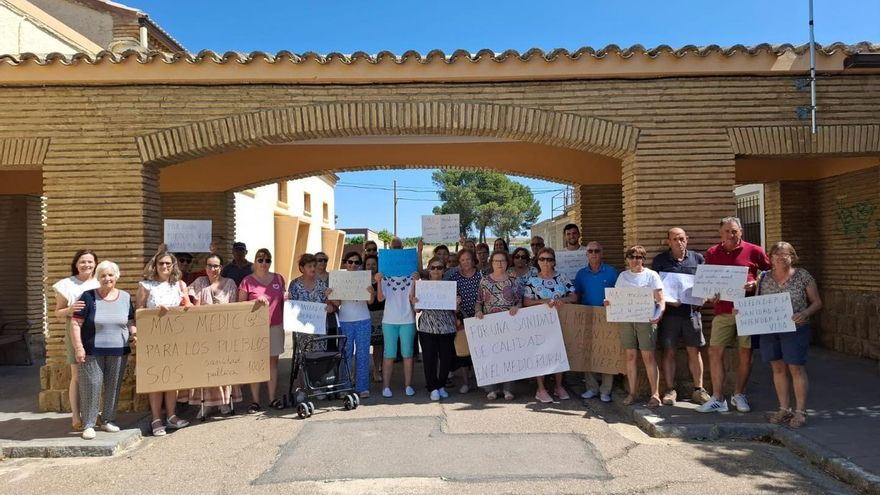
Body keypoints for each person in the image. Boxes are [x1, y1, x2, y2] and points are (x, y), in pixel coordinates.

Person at [697, 217, 771, 414]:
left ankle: (739, 394)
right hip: (723, 310)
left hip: (748, 310)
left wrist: (755, 283)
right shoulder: (712, 252)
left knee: (745, 353)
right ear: (720, 233)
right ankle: (718, 398)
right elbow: (708, 280)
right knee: (714, 352)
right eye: (727, 231)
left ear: (741, 232)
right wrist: (710, 294)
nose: (731, 235)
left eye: (735, 231)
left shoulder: (755, 250)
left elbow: (770, 274)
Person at [756, 242, 822, 428]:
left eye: (785, 254)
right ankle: (784, 408)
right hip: (770, 329)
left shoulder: (802, 276)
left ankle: (800, 411)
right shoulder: (763, 277)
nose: (781, 257)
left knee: (796, 368)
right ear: (770, 257)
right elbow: (756, 303)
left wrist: (805, 314)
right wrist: (742, 312)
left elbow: (817, 302)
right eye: (777, 254)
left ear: (792, 257)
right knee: (777, 368)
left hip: (795, 328)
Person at [70, 260, 135, 440]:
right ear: (98, 278)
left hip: (119, 349)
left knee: (113, 386)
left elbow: (130, 320)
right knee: (92, 385)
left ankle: (108, 420)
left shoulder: (125, 297)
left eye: (110, 275)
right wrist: (79, 347)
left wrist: (134, 332)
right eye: (103, 275)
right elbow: (75, 322)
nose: (107, 278)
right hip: (92, 350)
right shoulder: (88, 296)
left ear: (116, 276)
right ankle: (89, 424)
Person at [651, 228, 710, 405]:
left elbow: (706, 283)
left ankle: (699, 389)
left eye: (682, 238)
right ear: (668, 241)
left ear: (687, 239)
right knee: (669, 351)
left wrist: (704, 298)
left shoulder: (697, 259)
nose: (679, 242)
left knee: (694, 350)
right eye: (675, 239)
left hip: (692, 313)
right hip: (669, 315)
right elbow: (654, 288)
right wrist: (667, 302)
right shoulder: (660, 260)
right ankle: (670, 390)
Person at [137, 251, 191, 436]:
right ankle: (156, 418)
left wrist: (190, 306)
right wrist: (154, 312)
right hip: (154, 339)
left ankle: (171, 415)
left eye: (168, 263)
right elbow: (139, 311)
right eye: (161, 263)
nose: (165, 267)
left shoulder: (180, 285)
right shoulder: (146, 286)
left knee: (172, 377)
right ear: (155, 265)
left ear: (173, 265)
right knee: (156, 378)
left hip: (175, 338)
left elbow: (188, 306)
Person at [609, 245, 665, 408]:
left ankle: (655, 394)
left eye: (638, 257)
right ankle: (632, 392)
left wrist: (658, 314)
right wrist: (609, 303)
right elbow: (617, 297)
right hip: (626, 320)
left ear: (643, 259)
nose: (635, 260)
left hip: (646, 319)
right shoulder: (623, 276)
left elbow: (660, 299)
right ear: (627, 259)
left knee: (648, 356)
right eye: (632, 257)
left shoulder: (651, 275)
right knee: (630, 356)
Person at [187, 253, 242, 416]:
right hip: (204, 335)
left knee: (224, 367)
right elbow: (191, 304)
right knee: (205, 369)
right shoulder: (199, 283)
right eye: (210, 265)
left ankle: (224, 402)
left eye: (216, 266)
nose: (213, 269)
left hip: (225, 335)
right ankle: (206, 404)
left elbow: (235, 308)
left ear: (221, 267)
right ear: (205, 268)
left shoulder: (230, 283)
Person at [52, 249, 99, 431]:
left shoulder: (99, 281)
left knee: (97, 375)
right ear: (76, 264)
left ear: (96, 263)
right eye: (82, 262)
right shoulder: (66, 285)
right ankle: (75, 416)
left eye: (90, 261)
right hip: (75, 330)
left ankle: (95, 414)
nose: (86, 265)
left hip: (97, 331)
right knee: (77, 375)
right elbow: (57, 313)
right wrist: (70, 309)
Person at [522, 247, 577, 403]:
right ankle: (541, 389)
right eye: (542, 259)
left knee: (558, 353)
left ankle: (559, 386)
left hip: (560, 322)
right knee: (541, 355)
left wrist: (563, 300)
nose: (546, 262)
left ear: (554, 261)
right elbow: (526, 302)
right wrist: (542, 301)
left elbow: (574, 296)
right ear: (537, 261)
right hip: (539, 324)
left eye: (549, 259)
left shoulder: (561, 277)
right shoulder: (532, 280)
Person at [239, 248, 287, 413]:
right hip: (255, 329)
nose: (264, 263)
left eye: (267, 260)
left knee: (273, 362)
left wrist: (287, 298)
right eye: (260, 260)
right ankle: (255, 401)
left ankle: (272, 398)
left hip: (275, 325)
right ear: (255, 262)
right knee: (256, 363)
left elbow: (284, 300)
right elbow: (240, 306)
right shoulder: (247, 281)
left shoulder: (279, 279)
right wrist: (254, 303)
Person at [573, 241, 619, 403]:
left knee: (607, 352)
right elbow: (577, 295)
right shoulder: (581, 274)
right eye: (590, 251)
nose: (594, 254)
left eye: (597, 251)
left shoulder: (612, 272)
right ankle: (591, 388)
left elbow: (619, 293)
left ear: (602, 253)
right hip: (587, 315)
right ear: (586, 254)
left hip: (607, 316)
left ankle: (606, 390)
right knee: (589, 352)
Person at [476, 250, 522, 400]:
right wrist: (478, 312)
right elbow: (479, 301)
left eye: (502, 261)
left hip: (509, 325)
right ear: (492, 263)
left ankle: (508, 389)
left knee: (508, 357)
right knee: (491, 356)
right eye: (496, 261)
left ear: (507, 262)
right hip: (490, 325)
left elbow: (519, 300)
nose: (499, 264)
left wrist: (517, 307)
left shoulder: (512, 281)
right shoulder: (485, 281)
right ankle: (492, 389)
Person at [413, 257, 457, 401]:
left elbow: (455, 311)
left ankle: (442, 385)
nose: (436, 270)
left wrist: (457, 302)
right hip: (427, 328)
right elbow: (418, 310)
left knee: (446, 359)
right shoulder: (423, 286)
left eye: (439, 267)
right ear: (429, 270)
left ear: (443, 270)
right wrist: (415, 301)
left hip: (447, 328)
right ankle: (432, 387)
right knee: (429, 360)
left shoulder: (450, 286)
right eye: (433, 267)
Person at [331, 251, 374, 398]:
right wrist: (331, 295)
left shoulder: (364, 278)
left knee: (363, 354)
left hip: (363, 319)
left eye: (356, 262)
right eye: (350, 262)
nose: (353, 265)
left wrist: (371, 293)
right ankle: (345, 386)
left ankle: (362, 387)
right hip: (345, 320)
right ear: (345, 263)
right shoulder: (339, 278)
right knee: (345, 354)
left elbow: (370, 302)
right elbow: (337, 304)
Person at [374, 265, 418, 398]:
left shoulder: (411, 276)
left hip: (407, 320)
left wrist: (416, 282)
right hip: (389, 320)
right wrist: (378, 281)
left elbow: (412, 298)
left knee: (408, 354)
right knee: (389, 354)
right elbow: (380, 298)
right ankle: (386, 387)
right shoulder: (385, 276)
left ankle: (408, 385)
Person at [444, 248, 482, 393]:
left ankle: (482, 381)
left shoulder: (481, 275)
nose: (466, 262)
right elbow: (447, 297)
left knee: (480, 352)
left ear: (473, 260)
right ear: (459, 262)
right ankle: (466, 383)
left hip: (481, 317)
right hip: (462, 319)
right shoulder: (454, 277)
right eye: (463, 260)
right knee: (463, 352)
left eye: (468, 259)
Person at [364, 254, 385, 383]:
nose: (371, 266)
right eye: (368, 264)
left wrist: (376, 293)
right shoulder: (361, 279)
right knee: (364, 345)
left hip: (380, 314)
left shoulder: (383, 279)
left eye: (373, 264)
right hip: (365, 314)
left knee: (378, 345)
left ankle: (376, 370)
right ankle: (361, 371)